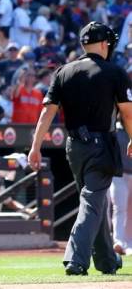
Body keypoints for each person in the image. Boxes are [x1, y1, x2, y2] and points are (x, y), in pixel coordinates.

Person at [29, 22, 131, 276]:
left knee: (94, 201)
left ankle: (107, 261)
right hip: (101, 145)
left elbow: (47, 112)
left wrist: (35, 146)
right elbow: (128, 113)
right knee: (93, 202)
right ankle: (75, 259)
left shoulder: (63, 71)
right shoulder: (114, 72)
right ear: (105, 43)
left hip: (73, 147)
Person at [110, 131, 132, 255]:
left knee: (129, 210)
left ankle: (128, 243)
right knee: (119, 207)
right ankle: (117, 242)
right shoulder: (115, 129)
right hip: (118, 174)